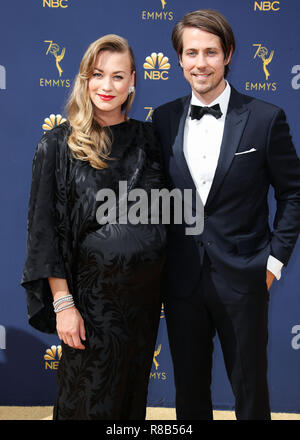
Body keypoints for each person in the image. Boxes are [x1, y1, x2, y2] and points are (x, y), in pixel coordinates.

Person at [152, 9, 300, 420]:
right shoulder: (162, 119)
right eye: (192, 52)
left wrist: (273, 262)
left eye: (211, 52)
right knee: (189, 393)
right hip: (182, 282)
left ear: (228, 54)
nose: (201, 62)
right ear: (179, 59)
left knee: (250, 391)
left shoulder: (266, 119)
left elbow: (293, 193)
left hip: (245, 278)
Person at [21, 34, 166, 420]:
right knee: (83, 404)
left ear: (133, 80)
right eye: (98, 74)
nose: (107, 86)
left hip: (142, 307)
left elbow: (170, 211)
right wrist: (63, 304)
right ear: (85, 79)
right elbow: (43, 231)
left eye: (118, 77)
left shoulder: (151, 139)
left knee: (129, 407)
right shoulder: (57, 145)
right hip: (88, 307)